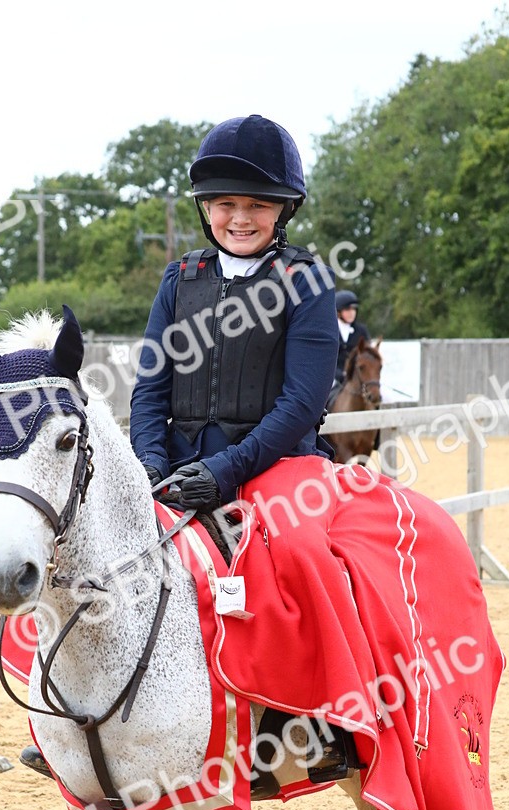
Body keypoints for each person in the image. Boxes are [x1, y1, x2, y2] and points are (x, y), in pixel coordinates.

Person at [129, 113, 339, 513]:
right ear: (207, 207)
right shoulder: (179, 279)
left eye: (257, 204)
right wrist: (150, 462)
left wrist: (224, 470)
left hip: (276, 470)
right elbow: (149, 392)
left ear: (282, 210)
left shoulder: (308, 283)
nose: (241, 218)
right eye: (227, 204)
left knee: (299, 544)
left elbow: (302, 403)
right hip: (178, 468)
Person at [333, 290, 370, 384]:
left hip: (357, 378)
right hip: (333, 377)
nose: (352, 313)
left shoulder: (361, 330)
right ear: (338, 311)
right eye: (347, 309)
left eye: (354, 309)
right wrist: (338, 374)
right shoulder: (330, 329)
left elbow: (367, 355)